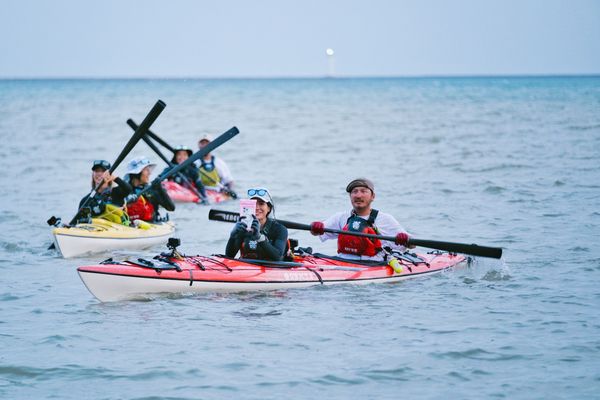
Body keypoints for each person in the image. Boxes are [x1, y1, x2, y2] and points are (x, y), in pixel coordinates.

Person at [309, 178, 411, 262]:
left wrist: (405, 240)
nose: (358, 195)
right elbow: (316, 233)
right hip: (343, 262)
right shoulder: (341, 217)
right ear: (350, 196)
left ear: (372, 196)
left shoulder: (385, 219)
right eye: (354, 192)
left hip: (373, 265)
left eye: (363, 191)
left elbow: (412, 244)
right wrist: (315, 228)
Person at [225, 187, 288, 261]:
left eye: (261, 204)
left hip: (270, 267)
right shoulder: (244, 227)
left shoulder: (280, 229)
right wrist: (232, 236)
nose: (257, 208)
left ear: (269, 208)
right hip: (248, 268)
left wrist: (259, 237)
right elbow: (229, 255)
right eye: (253, 204)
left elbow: (277, 257)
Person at [76, 160, 132, 224]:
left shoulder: (117, 193)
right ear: (93, 174)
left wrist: (115, 178)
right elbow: (78, 221)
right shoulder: (86, 200)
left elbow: (128, 189)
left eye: (103, 171)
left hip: (116, 229)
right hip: (95, 230)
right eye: (97, 171)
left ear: (109, 175)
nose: (99, 173)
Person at [124, 156, 175, 223]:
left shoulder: (152, 190)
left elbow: (171, 208)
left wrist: (160, 189)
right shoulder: (124, 189)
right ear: (137, 173)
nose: (149, 173)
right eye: (146, 170)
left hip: (151, 225)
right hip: (129, 225)